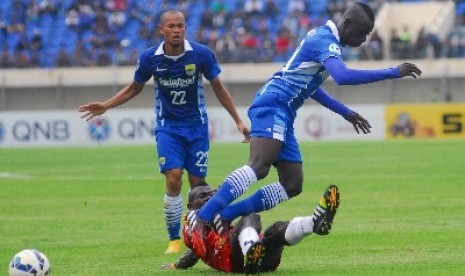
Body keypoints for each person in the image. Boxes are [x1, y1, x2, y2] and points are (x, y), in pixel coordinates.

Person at [191, 2, 422, 251]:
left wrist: (346, 113)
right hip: (274, 103)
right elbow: (342, 77)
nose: (365, 39)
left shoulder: (325, 40)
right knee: (259, 166)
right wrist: (392, 72)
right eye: (363, 33)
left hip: (284, 111)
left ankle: (225, 214)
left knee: (292, 184)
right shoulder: (325, 40)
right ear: (348, 24)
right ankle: (203, 218)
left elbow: (312, 87)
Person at [78, 10, 249, 254]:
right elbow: (134, 88)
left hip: (197, 127)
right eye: (171, 26)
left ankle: (198, 235)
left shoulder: (200, 54)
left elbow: (219, 87)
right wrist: (106, 104)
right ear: (161, 30)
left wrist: (238, 121)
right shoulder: (150, 58)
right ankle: (173, 239)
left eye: (180, 25)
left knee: (197, 184)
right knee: (173, 177)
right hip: (168, 127)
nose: (177, 30)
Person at [162, 184, 340, 274]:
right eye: (203, 196)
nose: (210, 198)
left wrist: (177, 265)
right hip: (234, 257)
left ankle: (313, 223)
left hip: (262, 260)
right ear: (190, 204)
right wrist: (175, 266)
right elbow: (194, 250)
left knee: (277, 231)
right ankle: (250, 251)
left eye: (213, 194)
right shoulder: (194, 223)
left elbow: (194, 254)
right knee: (251, 217)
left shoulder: (220, 217)